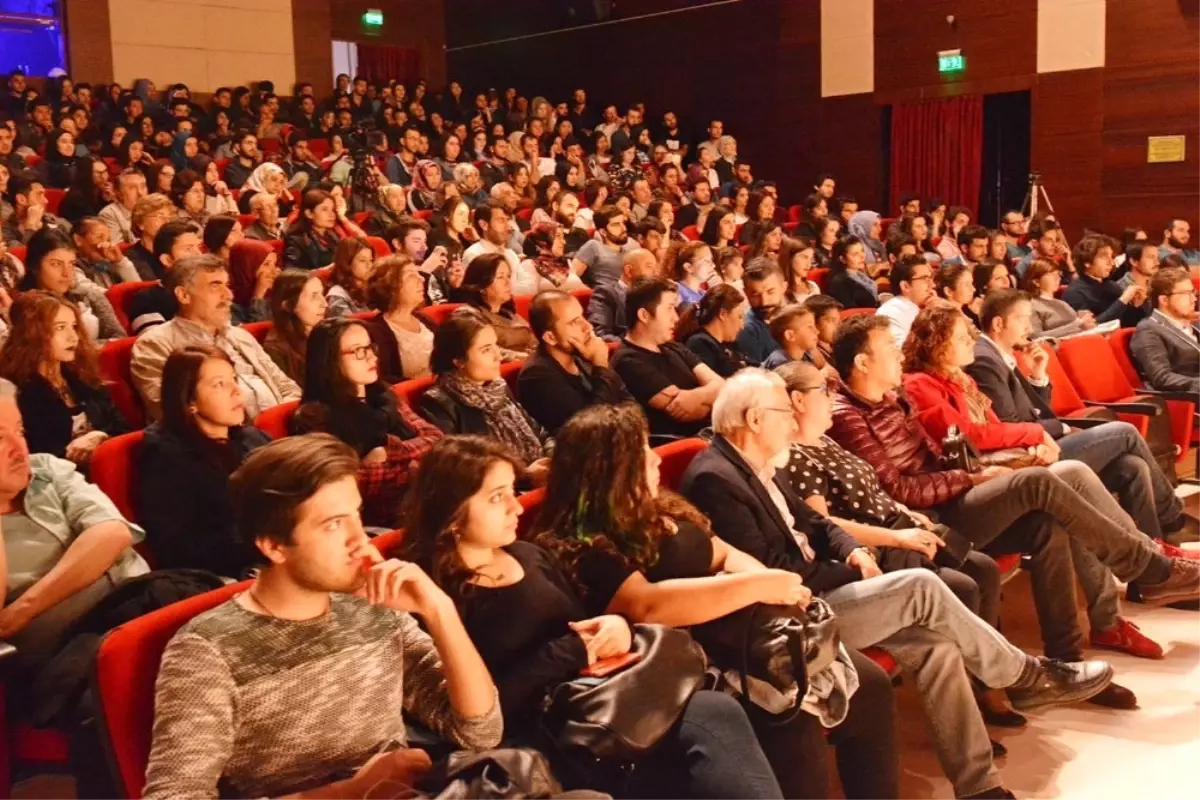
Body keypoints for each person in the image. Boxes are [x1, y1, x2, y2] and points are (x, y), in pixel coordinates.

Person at [680, 370, 1116, 799]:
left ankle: (979, 786)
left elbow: (817, 523)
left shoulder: (757, 463)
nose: (791, 422)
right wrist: (854, 570)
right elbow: (773, 568)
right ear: (754, 419)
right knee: (921, 586)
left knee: (937, 649)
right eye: (782, 412)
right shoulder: (716, 478)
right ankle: (1022, 676)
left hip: (821, 586)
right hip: (793, 613)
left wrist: (853, 550)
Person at [401, 435, 786, 800]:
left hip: (603, 701)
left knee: (716, 709)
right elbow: (481, 714)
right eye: (497, 498)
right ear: (452, 512)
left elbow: (585, 623)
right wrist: (573, 652)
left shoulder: (526, 553)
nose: (516, 507)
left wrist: (614, 627)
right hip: (547, 742)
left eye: (513, 493)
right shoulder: (433, 595)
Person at [828, 314, 1200, 681]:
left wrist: (1001, 460)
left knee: (1048, 523)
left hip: (955, 492)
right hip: (931, 520)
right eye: (889, 349)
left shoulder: (895, 399)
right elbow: (899, 490)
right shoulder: (851, 415)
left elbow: (940, 453)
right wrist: (974, 475)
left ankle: (1066, 659)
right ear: (862, 362)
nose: (897, 353)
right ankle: (1149, 567)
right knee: (1044, 479)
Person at [141, 434, 501, 799]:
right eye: (333, 524)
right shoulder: (207, 650)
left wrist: (439, 612)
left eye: (357, 515)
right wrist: (351, 792)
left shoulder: (372, 604)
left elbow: (480, 732)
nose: (360, 540)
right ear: (274, 546)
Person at [968, 288, 1191, 556]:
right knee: (1125, 431)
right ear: (998, 324)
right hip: (1028, 460)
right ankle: (1172, 515)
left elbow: (1035, 413)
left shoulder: (1002, 354)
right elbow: (1011, 425)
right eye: (1023, 319)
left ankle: (1157, 556)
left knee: (1132, 466)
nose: (1029, 326)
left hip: (1044, 444)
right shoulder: (984, 359)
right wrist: (1062, 427)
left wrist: (1038, 375)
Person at [0, 376, 149, 679]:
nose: (21, 449)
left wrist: (25, 607)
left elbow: (113, 532)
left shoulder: (47, 469)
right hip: (70, 661)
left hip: (143, 606)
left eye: (20, 431)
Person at [291, 318, 443, 528]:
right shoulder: (314, 416)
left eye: (370, 347)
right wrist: (416, 463)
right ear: (330, 360)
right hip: (377, 520)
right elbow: (351, 481)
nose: (371, 356)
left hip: (421, 499)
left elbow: (435, 438)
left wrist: (391, 452)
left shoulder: (385, 395)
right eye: (358, 351)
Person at [137, 345, 270, 577]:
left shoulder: (254, 438)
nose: (237, 391)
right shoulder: (164, 456)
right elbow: (180, 547)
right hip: (232, 573)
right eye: (219, 384)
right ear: (190, 399)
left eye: (234, 379)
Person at [132, 254, 301, 421]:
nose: (228, 295)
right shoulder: (154, 345)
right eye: (215, 286)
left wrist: (280, 420)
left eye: (227, 285)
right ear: (183, 295)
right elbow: (175, 414)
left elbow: (287, 387)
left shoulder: (240, 335)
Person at [419, 312, 551, 485]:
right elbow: (463, 472)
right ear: (458, 360)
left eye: (495, 345)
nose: (498, 356)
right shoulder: (439, 403)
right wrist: (525, 477)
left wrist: (552, 455)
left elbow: (539, 432)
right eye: (486, 349)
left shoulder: (496, 386)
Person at [0, 291, 127, 463]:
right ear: (31, 333)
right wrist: (68, 453)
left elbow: (122, 429)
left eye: (73, 326)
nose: (73, 337)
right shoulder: (15, 393)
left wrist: (101, 436)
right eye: (60, 327)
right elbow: (26, 459)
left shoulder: (82, 377)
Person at [611, 277, 725, 438]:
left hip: (711, 433)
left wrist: (696, 396)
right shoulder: (628, 361)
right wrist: (712, 396)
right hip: (686, 443)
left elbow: (721, 385)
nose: (676, 317)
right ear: (644, 315)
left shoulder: (673, 345)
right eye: (669, 308)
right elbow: (687, 411)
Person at [517, 289, 631, 434]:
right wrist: (601, 365)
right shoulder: (537, 376)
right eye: (574, 323)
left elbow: (627, 400)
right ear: (550, 337)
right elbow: (591, 427)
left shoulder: (580, 355)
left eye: (582, 317)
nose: (588, 327)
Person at [20, 227, 125, 341]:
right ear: (35, 266)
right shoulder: (23, 306)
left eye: (71, 264)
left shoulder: (89, 296)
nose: (66, 273)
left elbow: (119, 338)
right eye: (56, 264)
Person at [362, 253, 436, 383]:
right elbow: (386, 381)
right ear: (390, 286)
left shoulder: (425, 320)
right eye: (411, 276)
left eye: (418, 273)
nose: (422, 279)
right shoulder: (375, 332)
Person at [1131, 266, 1200, 393]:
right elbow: (1162, 378)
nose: (1194, 299)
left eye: (1193, 292)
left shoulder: (1191, 323)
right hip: (1188, 399)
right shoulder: (1148, 330)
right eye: (1186, 294)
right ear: (1164, 300)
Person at [458, 252, 538, 359]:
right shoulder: (468, 315)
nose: (508, 282)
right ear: (481, 284)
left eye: (508, 276)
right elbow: (484, 351)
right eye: (500, 277)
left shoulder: (508, 313)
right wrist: (524, 357)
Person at [1063, 234, 1148, 326]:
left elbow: (1129, 322)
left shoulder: (1112, 286)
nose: (1110, 262)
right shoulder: (1074, 293)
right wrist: (1123, 299)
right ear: (1087, 262)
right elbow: (1091, 327)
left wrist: (1137, 305)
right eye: (1103, 257)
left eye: (1111, 256)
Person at [262, 269, 326, 385]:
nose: (324, 303)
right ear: (288, 305)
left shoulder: (327, 332)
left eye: (322, 294)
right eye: (314, 296)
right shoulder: (276, 349)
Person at [462, 203, 537, 295]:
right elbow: (483, 291)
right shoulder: (474, 254)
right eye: (501, 221)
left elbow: (531, 287)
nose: (508, 226)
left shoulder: (510, 254)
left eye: (508, 220)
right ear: (484, 225)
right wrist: (513, 288)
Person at [682, 284, 749, 378]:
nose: (742, 325)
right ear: (722, 314)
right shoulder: (699, 344)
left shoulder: (729, 344)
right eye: (739, 317)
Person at [1022, 258, 1096, 339]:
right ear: (1036, 282)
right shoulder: (1031, 305)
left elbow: (1078, 325)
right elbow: (1036, 336)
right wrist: (1078, 323)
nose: (1058, 278)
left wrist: (1085, 322)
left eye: (1058, 274)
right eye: (1051, 275)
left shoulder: (1062, 303)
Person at [735, 258, 787, 365]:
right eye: (755, 295)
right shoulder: (747, 330)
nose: (764, 301)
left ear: (784, 287)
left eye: (770, 292)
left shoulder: (797, 317)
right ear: (745, 293)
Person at [876, 253, 935, 348]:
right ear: (905, 286)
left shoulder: (921, 308)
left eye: (930, 278)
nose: (932, 285)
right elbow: (902, 355)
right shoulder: (890, 314)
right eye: (925, 279)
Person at [572, 204, 638, 287]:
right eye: (616, 224)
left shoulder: (629, 253)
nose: (624, 228)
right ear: (603, 232)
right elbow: (572, 278)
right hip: (604, 295)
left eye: (623, 223)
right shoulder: (594, 246)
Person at [71, 216, 141, 289]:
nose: (105, 244)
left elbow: (138, 288)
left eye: (108, 239)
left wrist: (120, 261)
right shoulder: (71, 266)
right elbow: (102, 295)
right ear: (78, 240)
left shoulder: (109, 264)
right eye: (99, 237)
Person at [284, 189, 342, 270]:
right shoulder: (296, 240)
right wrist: (322, 272)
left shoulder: (334, 236)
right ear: (309, 213)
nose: (332, 214)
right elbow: (290, 273)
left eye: (333, 209)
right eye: (324, 209)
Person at [124, 193, 175, 279]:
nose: (167, 222)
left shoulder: (173, 251)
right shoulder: (131, 258)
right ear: (140, 223)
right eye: (160, 216)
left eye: (169, 218)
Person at [226, 238, 277, 325]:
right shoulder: (228, 304)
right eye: (266, 264)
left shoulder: (272, 294)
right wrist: (258, 297)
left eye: (275, 264)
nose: (274, 271)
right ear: (247, 266)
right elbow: (258, 334)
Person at [762, 303, 823, 371]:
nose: (817, 331)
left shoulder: (805, 356)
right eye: (810, 327)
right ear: (790, 335)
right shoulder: (781, 364)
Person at [323, 237, 373, 318]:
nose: (369, 265)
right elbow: (346, 327)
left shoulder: (372, 288)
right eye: (362, 260)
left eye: (371, 260)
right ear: (347, 263)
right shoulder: (337, 296)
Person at [826, 235, 878, 310]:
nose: (862, 256)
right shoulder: (839, 282)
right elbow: (850, 312)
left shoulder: (861, 275)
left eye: (862, 251)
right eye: (855, 254)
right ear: (843, 259)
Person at [98, 168, 147, 245]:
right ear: (119, 193)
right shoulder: (109, 214)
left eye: (143, 186)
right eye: (132, 188)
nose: (140, 193)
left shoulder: (152, 210)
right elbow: (118, 248)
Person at [779, 237, 819, 304]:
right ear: (790, 258)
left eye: (811, 259)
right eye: (804, 257)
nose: (809, 264)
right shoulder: (781, 291)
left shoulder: (813, 286)